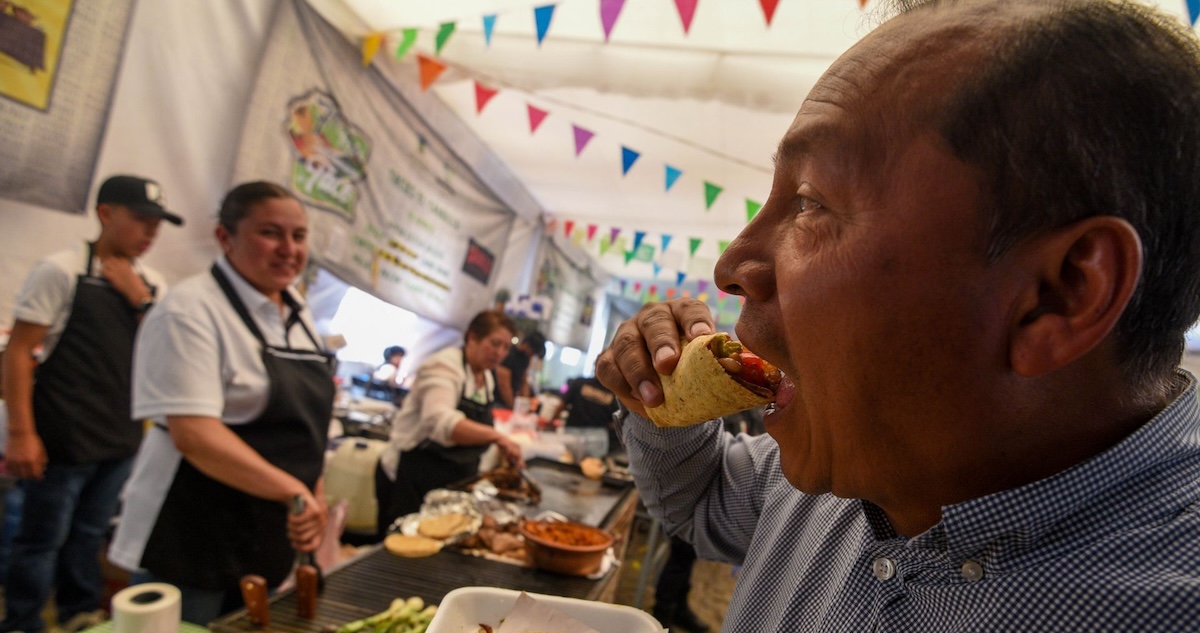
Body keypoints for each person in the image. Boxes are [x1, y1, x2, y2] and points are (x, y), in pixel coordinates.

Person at [595, 1, 1200, 630]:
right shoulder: (862, 453)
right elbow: (701, 495)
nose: (733, 266)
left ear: (1061, 294)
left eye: (810, 202)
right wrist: (657, 394)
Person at [107, 181, 333, 625]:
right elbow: (195, 435)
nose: (289, 249)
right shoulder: (190, 311)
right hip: (191, 530)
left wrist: (315, 494)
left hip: (261, 531)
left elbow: (305, 428)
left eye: (299, 236)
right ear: (225, 237)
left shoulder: (298, 313)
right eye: (270, 233)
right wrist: (294, 492)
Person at [0, 175, 180, 633]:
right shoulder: (60, 271)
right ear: (105, 213)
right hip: (60, 438)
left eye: (156, 225)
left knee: (88, 538)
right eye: (140, 220)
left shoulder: (153, 285)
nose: (150, 233)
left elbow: (165, 355)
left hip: (118, 441)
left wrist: (138, 298)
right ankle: (23, 620)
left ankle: (79, 614)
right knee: (40, 540)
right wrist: (22, 434)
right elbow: (19, 353)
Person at [376, 310, 525, 536]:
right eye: (495, 344)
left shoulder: (485, 377)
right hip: (413, 476)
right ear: (472, 337)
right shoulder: (443, 366)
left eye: (506, 347)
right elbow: (440, 422)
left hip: (453, 479)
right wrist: (497, 437)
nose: (500, 353)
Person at [553, 375, 620, 457]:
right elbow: (616, 420)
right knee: (589, 465)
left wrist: (552, 421)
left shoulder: (580, 382)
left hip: (577, 433)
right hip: (595, 437)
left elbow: (562, 405)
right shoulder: (616, 394)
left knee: (566, 462)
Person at [495, 329, 546, 409]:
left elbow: (524, 380)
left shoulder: (526, 358)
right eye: (533, 352)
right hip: (498, 401)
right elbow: (504, 384)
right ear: (527, 344)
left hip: (512, 400)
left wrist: (524, 402)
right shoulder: (510, 354)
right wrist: (512, 406)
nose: (532, 355)